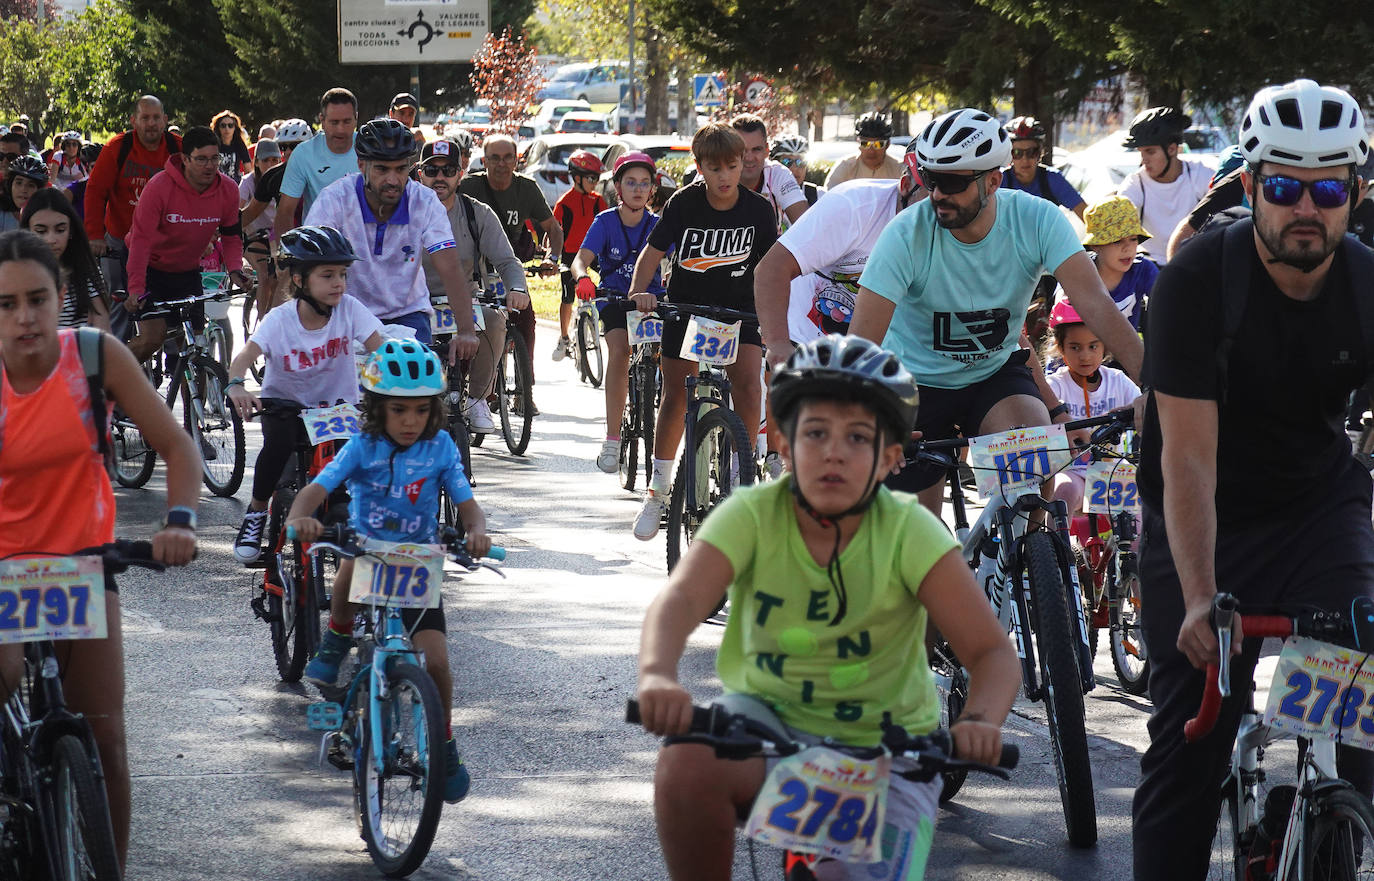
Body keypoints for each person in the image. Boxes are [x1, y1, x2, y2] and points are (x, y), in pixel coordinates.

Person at [635, 334, 1020, 881]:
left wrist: (980, 722)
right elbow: (678, 603)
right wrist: (657, 677)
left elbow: (991, 654)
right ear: (785, 445)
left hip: (887, 753)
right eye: (815, 432)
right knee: (689, 760)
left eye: (857, 437)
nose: (834, 451)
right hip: (768, 731)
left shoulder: (912, 532)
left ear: (891, 458)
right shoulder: (750, 516)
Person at [1131, 79, 1374, 881]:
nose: (1308, 207)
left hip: (1314, 508)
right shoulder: (1199, 282)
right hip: (1203, 517)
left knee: (1371, 729)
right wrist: (1200, 598)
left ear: (1358, 193)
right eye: (1285, 187)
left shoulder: (1368, 287)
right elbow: (1189, 458)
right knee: (1191, 749)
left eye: (1330, 187)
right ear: (1250, 185)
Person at [0, 228, 199, 870]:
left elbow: (177, 446)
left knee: (106, 737)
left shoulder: (94, 355)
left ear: (60, 296)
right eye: (5, 305)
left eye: (36, 298)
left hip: (82, 562)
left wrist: (180, 522)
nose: (24, 316)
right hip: (4, 569)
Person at [848, 108, 1143, 517]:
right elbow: (861, 345)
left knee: (1034, 446)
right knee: (919, 544)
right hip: (914, 383)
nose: (937, 195)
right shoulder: (906, 234)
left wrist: (1153, 386)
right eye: (932, 180)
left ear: (993, 180)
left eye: (953, 182)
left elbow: (1096, 305)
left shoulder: (1037, 219)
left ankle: (1023, 563)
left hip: (993, 376)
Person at [289, 338, 489, 804]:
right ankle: (338, 637)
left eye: (421, 410)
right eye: (399, 410)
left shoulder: (441, 449)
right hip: (368, 551)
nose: (410, 421)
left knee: (436, 662)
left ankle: (444, 743)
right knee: (352, 562)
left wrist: (477, 531)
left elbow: (468, 506)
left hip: (418, 564)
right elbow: (317, 490)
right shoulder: (361, 447)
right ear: (378, 408)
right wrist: (301, 515)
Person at [626, 123, 777, 540]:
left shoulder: (758, 210)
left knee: (748, 385)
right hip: (686, 309)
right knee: (676, 395)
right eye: (715, 168)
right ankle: (656, 492)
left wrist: (778, 310)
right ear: (700, 168)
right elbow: (652, 253)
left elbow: (775, 264)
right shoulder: (683, 204)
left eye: (733, 165)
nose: (725, 176)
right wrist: (641, 292)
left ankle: (739, 476)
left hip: (738, 311)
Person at [226, 226, 385, 563]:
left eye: (342, 274)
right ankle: (256, 514)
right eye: (327, 275)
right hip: (287, 409)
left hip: (337, 412)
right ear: (299, 279)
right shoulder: (280, 319)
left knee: (352, 467)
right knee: (278, 444)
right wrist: (236, 385)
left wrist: (391, 384)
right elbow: (244, 357)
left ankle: (352, 523)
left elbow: (381, 350)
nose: (338, 283)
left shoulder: (350, 309)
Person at [304, 118, 478, 360]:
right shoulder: (334, 199)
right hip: (346, 313)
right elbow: (306, 263)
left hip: (408, 315)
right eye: (382, 169)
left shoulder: (425, 202)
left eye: (400, 169)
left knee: (414, 388)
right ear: (361, 164)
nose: (393, 180)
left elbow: (450, 267)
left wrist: (467, 330)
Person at [755, 146, 928, 360]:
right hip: (808, 335)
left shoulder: (964, 222)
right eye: (931, 193)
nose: (942, 203)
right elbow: (771, 269)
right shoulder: (853, 206)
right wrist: (778, 344)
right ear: (905, 186)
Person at [416, 134, 530, 434]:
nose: (440, 177)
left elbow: (507, 261)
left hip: (467, 301)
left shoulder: (476, 213)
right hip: (415, 303)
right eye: (432, 170)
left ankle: (479, 398)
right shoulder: (404, 213)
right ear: (419, 173)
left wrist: (517, 289)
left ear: (460, 174)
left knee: (495, 321)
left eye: (448, 170)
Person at [570, 150, 665, 473]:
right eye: (630, 182)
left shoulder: (659, 224)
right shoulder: (605, 221)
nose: (637, 189)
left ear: (653, 189)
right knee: (620, 351)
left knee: (672, 358)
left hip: (653, 302)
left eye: (644, 183)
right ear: (618, 187)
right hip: (615, 301)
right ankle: (612, 438)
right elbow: (580, 258)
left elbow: (678, 261)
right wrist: (583, 277)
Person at [122, 125, 247, 363]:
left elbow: (231, 235)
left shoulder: (229, 190)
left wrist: (235, 270)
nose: (209, 166)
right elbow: (140, 241)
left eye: (214, 159)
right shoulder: (159, 188)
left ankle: (198, 400)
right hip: (148, 267)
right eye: (201, 159)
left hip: (186, 270)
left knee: (195, 346)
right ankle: (110, 381)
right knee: (154, 337)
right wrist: (135, 288)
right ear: (185, 159)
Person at [460, 132, 563, 389]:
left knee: (525, 320)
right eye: (494, 158)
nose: (501, 164)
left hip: (509, 267)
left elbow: (553, 228)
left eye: (508, 158)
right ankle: (467, 384)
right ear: (484, 161)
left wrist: (553, 258)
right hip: (475, 268)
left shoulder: (526, 188)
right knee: (471, 321)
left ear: (516, 161)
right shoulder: (468, 187)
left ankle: (525, 388)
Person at [1040, 298, 1139, 515]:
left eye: (1093, 346)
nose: (1085, 356)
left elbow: (1145, 408)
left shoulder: (1118, 380)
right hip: (1073, 471)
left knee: (1139, 523)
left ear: (1104, 345)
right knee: (1063, 493)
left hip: (1112, 471)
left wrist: (1131, 410)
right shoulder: (1054, 387)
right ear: (1060, 348)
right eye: (1075, 347)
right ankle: (1057, 549)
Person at [84, 95, 180, 311]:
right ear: (133, 120)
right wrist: (95, 235)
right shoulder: (118, 147)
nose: (151, 123)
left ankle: (174, 344)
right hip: (119, 239)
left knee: (171, 306)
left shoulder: (178, 149)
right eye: (145, 117)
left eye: (156, 117)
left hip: (164, 241)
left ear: (165, 120)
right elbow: (95, 191)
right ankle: (116, 343)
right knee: (119, 304)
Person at [1116, 106, 1211, 265]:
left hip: (1193, 266)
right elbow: (1119, 219)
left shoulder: (1199, 174)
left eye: (1150, 152)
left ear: (1172, 149)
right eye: (1141, 152)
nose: (1144, 159)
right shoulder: (1135, 184)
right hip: (1148, 268)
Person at [1052, 195, 1157, 332]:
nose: (1128, 248)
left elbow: (1170, 301)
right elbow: (1062, 316)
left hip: (1127, 350)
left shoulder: (1143, 269)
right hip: (1084, 350)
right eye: (1117, 241)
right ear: (1096, 246)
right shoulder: (1077, 271)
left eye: (1133, 239)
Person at [240, 118, 312, 315]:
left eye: (295, 146)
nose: (288, 152)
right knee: (279, 286)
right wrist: (216, 231)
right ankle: (266, 334)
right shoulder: (272, 176)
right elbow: (249, 214)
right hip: (285, 241)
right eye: (284, 147)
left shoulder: (320, 172)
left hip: (318, 243)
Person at [273, 88, 359, 241]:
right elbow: (285, 211)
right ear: (322, 121)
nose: (340, 129)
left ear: (356, 119)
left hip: (362, 244)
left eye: (347, 122)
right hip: (318, 246)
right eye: (334, 122)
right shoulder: (303, 154)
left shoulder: (369, 149)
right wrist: (288, 254)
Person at [20, 187, 111, 330]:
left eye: (60, 230)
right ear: (27, 232)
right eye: (41, 231)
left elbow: (103, 331)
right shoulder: (13, 273)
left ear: (71, 231)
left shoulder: (86, 269)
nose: (51, 239)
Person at [552, 148, 608, 361]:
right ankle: (564, 336)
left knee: (608, 284)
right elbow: (556, 233)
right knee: (567, 294)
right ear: (577, 178)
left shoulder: (598, 201)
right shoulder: (564, 203)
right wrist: (552, 256)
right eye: (591, 178)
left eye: (597, 178)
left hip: (594, 252)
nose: (595, 183)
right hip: (569, 255)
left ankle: (603, 320)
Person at [1000, 116, 1086, 220]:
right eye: (1017, 153)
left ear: (1041, 153)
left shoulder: (1053, 179)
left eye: (1031, 152)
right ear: (1009, 155)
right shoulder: (1000, 180)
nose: (1025, 159)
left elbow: (1086, 215)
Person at [731, 113, 806, 229]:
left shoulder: (778, 174)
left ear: (767, 150)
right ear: (729, 150)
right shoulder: (713, 175)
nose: (749, 158)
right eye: (742, 150)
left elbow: (806, 225)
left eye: (756, 149)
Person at [238, 138, 282, 309]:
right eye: (266, 160)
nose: (270, 165)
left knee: (279, 276)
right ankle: (263, 326)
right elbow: (237, 212)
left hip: (275, 237)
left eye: (275, 160)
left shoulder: (284, 180)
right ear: (256, 162)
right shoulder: (248, 182)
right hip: (252, 237)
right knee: (264, 275)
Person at [824, 111, 905, 189]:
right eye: (865, 143)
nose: (871, 151)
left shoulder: (900, 170)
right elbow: (828, 197)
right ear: (858, 143)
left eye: (878, 144)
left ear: (887, 145)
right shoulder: (845, 167)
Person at [769, 134, 821, 205]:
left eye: (800, 162)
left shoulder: (819, 196)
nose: (794, 168)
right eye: (786, 162)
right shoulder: (763, 196)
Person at [0, 155, 48, 232]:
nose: (24, 190)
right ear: (10, 186)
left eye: (31, 185)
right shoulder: (2, 214)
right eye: (19, 183)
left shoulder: (48, 218)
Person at [210, 109, 251, 181]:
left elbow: (248, 170)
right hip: (215, 184)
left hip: (234, 185)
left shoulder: (240, 145)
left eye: (230, 125)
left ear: (235, 128)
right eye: (223, 125)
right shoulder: (212, 145)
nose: (227, 129)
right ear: (218, 128)